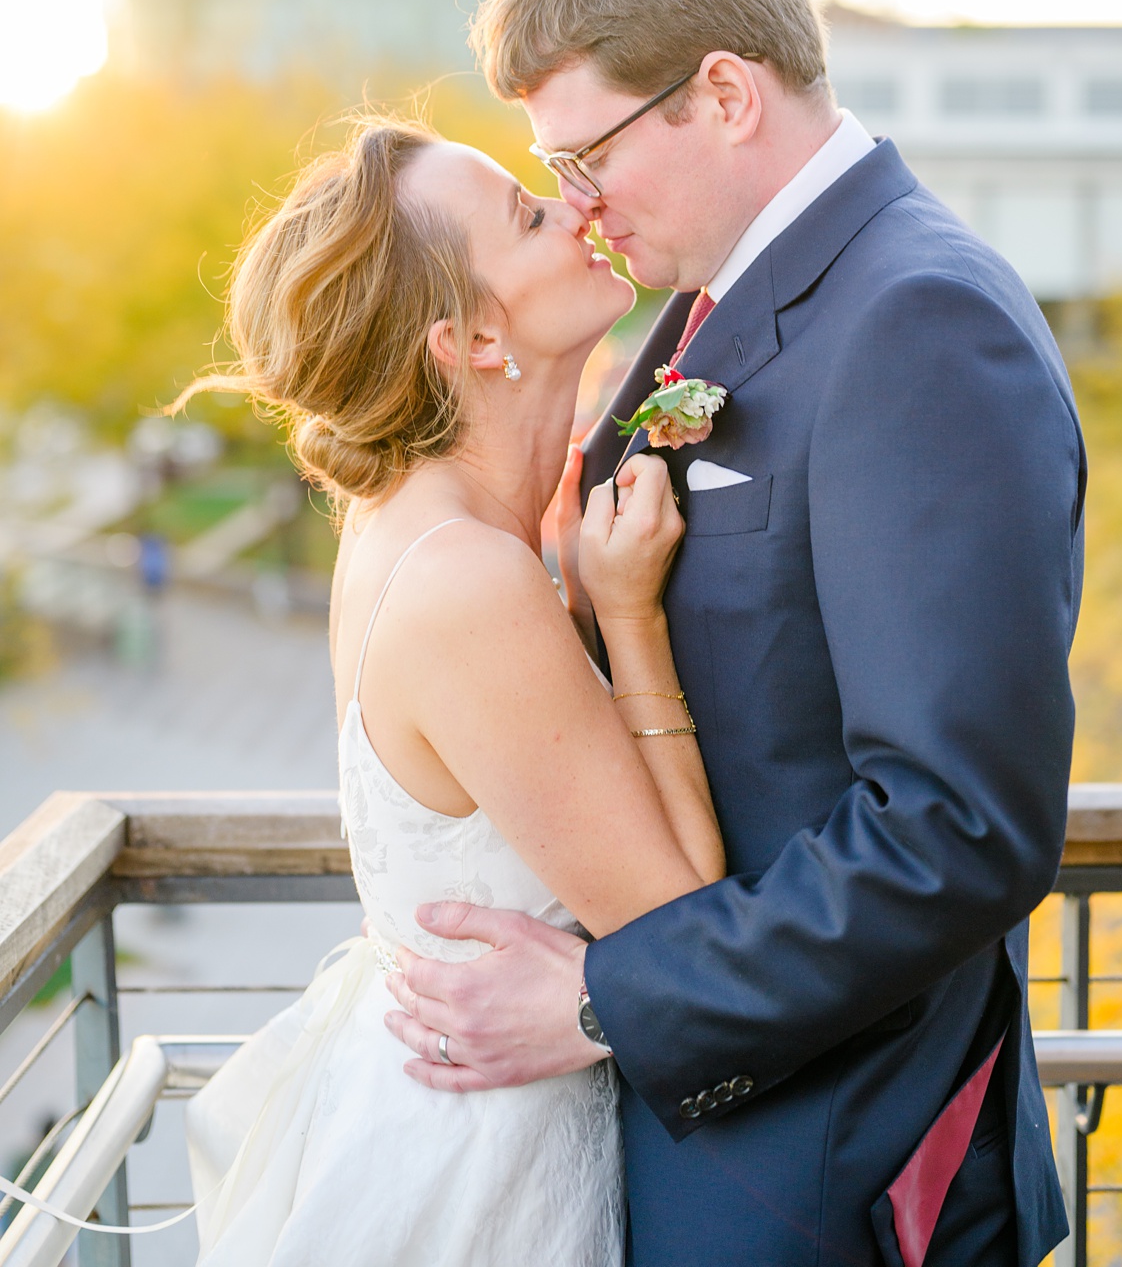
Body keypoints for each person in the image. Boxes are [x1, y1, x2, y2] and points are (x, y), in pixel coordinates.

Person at [379, 0, 1084, 1267]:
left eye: (584, 155)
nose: (574, 207)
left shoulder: (918, 321)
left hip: (827, 1163)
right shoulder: (714, 306)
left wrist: (605, 1004)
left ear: (720, 95)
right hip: (711, 1148)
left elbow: (958, 830)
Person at [175, 117, 720, 1264]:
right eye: (528, 213)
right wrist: (627, 611)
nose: (574, 203)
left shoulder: (417, 525)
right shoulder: (466, 576)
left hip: (444, 1097)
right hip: (478, 1169)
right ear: (469, 337)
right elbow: (682, 924)